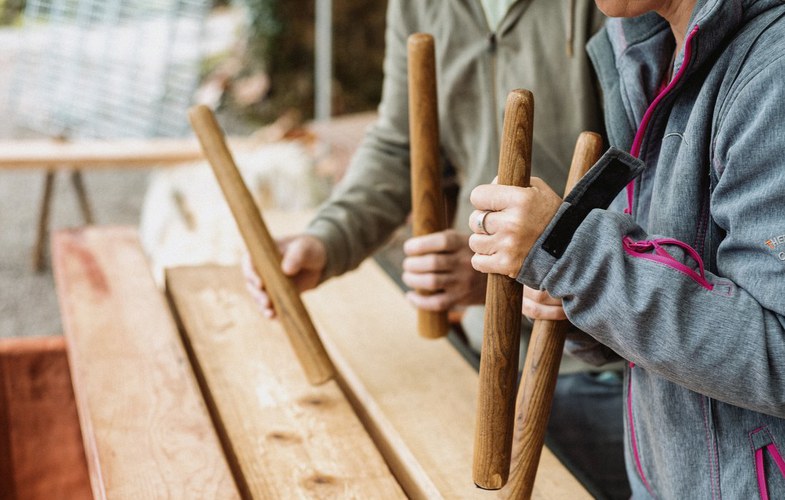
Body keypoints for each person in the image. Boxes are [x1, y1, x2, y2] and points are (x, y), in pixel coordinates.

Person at [245, 1, 630, 497]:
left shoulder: (615, 6)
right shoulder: (419, 5)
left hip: (600, 365)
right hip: (480, 352)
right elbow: (399, 143)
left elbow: (644, 176)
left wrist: (520, 270)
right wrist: (325, 240)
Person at [468, 0, 785, 497]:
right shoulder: (645, 56)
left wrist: (577, 256)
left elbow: (779, 350)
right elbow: (686, 283)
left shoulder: (775, 72)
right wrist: (583, 299)